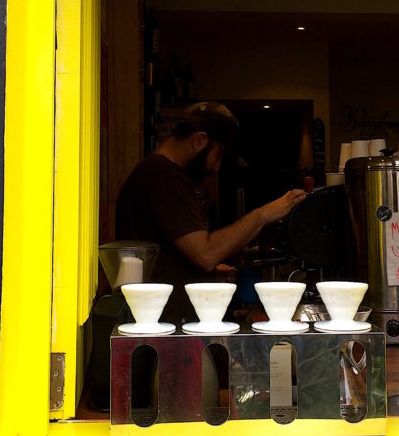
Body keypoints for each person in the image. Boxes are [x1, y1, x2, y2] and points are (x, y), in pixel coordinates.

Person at [115, 101, 307, 323]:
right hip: (163, 329)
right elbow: (205, 254)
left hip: (158, 322)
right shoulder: (165, 177)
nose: (216, 168)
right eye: (218, 156)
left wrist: (206, 275)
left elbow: (170, 256)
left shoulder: (153, 173)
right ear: (199, 141)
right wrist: (263, 214)